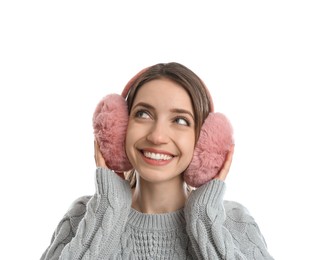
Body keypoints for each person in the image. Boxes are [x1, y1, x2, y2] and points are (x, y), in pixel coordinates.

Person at [40, 62, 274, 259]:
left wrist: (205, 221)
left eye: (180, 120)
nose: (157, 136)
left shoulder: (234, 223)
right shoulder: (85, 216)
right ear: (119, 128)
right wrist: (106, 212)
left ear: (204, 140)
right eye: (143, 114)